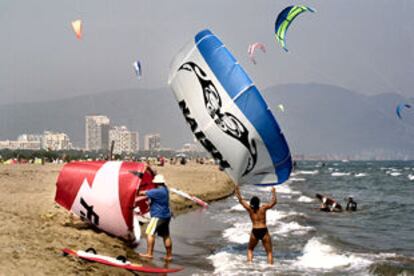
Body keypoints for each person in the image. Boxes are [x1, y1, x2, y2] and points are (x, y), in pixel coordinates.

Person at [235, 185, 276, 265]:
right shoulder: (263, 208)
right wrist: (274, 193)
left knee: (250, 249)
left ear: (251, 203)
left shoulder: (250, 209)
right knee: (269, 252)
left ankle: (250, 265)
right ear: (259, 203)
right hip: (264, 230)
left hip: (255, 231)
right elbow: (273, 202)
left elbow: (241, 200)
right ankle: (270, 269)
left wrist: (237, 191)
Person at [138, 174, 173, 261]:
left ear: (156, 183)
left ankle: (149, 254)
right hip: (166, 215)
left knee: (150, 233)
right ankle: (169, 256)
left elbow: (141, 193)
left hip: (158, 216)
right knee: (166, 235)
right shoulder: (165, 190)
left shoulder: (156, 192)